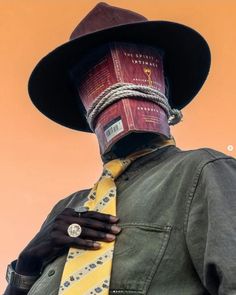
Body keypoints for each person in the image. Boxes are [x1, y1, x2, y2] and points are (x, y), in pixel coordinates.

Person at [4, 2, 236, 295]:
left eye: (138, 65)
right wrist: (27, 263)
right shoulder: (66, 208)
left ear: (163, 84)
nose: (117, 81)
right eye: (95, 77)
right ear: (82, 106)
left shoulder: (204, 172)